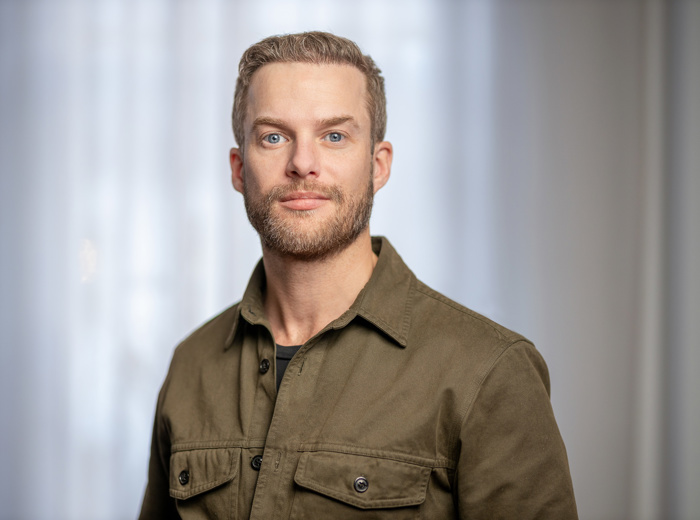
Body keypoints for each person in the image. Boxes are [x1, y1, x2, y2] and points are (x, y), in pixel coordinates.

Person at [139, 31, 578, 519]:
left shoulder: (489, 371)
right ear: (240, 169)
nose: (302, 164)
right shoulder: (191, 364)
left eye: (334, 136)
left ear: (378, 165)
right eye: (274, 137)